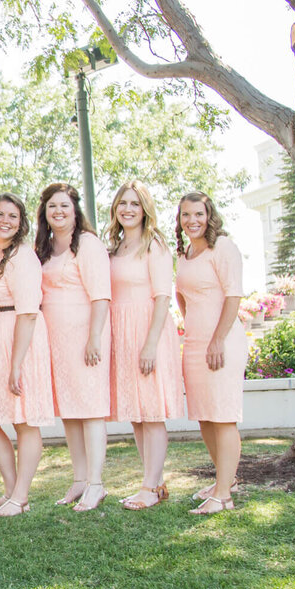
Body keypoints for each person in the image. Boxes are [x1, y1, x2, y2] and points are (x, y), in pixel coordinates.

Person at [0, 193, 54, 517]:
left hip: (19, 341)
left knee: (24, 420)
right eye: (0, 214)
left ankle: (20, 498)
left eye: (13, 216)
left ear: (21, 223)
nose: (6, 220)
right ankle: (10, 489)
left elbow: (29, 312)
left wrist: (17, 363)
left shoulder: (23, 255)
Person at [107, 181, 183, 511]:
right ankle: (154, 482)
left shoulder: (156, 246)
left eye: (135, 204)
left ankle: (149, 487)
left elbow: (163, 297)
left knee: (151, 413)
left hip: (148, 331)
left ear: (145, 209)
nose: (128, 209)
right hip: (122, 333)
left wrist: (150, 344)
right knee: (137, 415)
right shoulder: (115, 247)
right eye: (122, 203)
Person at [36, 182, 112, 513]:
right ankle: (80, 479)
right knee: (69, 409)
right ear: (45, 212)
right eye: (52, 206)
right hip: (54, 337)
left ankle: (96, 483)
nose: (58, 212)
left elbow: (101, 295)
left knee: (91, 407)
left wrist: (94, 337)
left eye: (64, 206)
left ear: (75, 209)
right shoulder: (44, 247)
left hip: (84, 335)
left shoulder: (88, 244)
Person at [175, 191, 246, 515]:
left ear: (209, 216)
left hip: (222, 343)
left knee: (223, 415)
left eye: (198, 214)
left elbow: (233, 296)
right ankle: (225, 480)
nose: (192, 221)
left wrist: (217, 339)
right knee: (204, 415)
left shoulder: (223, 248)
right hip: (193, 343)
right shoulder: (185, 253)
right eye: (186, 215)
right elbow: (182, 296)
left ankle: (223, 496)